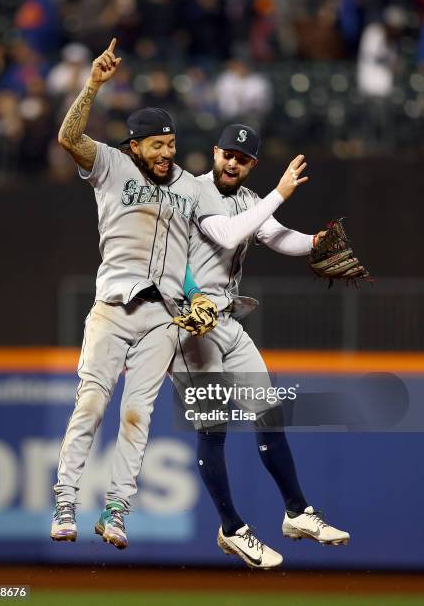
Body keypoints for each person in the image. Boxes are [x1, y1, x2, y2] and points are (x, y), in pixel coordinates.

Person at [50, 39, 307, 545]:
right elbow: (68, 135)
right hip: (113, 307)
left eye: (171, 144)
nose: (167, 153)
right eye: (157, 145)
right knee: (92, 404)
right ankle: (65, 499)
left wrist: (196, 294)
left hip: (164, 318)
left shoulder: (189, 186)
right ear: (135, 145)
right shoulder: (110, 165)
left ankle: (117, 509)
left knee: (137, 413)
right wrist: (94, 84)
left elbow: (202, 245)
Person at [172, 123, 350, 569]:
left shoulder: (251, 201)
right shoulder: (193, 191)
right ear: (214, 152)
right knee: (213, 428)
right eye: (228, 153)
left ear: (251, 165)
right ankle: (231, 529)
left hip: (228, 322)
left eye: (243, 158)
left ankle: (297, 513)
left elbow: (273, 235)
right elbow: (229, 234)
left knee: (268, 412)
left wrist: (314, 242)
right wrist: (281, 191)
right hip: (192, 327)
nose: (233, 162)